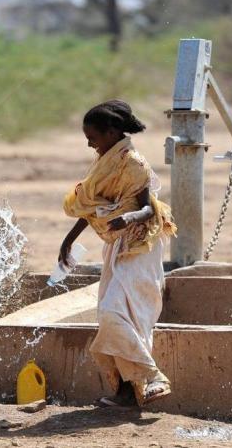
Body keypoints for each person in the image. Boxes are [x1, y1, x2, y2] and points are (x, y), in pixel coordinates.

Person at [59, 100, 177, 407]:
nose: (89, 143)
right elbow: (94, 206)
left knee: (119, 312)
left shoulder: (133, 162)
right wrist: (68, 240)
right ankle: (126, 392)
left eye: (93, 137)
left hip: (139, 243)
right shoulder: (104, 159)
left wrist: (128, 218)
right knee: (110, 314)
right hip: (116, 243)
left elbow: (148, 207)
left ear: (111, 132)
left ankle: (153, 377)